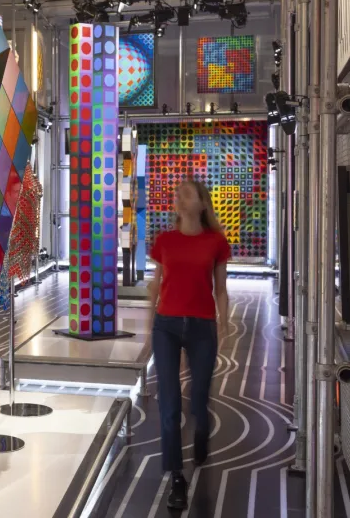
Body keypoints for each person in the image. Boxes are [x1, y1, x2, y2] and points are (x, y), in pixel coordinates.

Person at [147, 179, 230, 510]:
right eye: (177, 193)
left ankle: (201, 433)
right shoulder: (164, 240)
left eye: (187, 193)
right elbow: (156, 284)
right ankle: (176, 478)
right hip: (166, 326)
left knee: (198, 401)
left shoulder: (216, 242)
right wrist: (149, 321)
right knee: (169, 405)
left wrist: (223, 322)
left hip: (202, 327)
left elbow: (220, 288)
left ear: (201, 204)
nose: (179, 197)